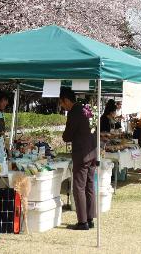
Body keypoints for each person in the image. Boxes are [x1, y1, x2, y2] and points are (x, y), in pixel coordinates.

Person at [60, 89, 97, 231]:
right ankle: (89, 218)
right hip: (91, 151)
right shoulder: (83, 109)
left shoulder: (74, 111)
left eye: (62, 103)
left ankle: (82, 222)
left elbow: (67, 136)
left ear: (66, 100)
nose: (63, 106)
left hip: (82, 153)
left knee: (79, 187)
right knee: (89, 185)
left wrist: (66, 136)